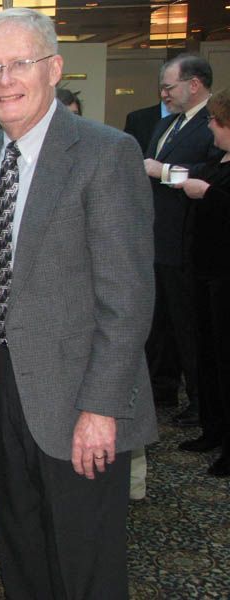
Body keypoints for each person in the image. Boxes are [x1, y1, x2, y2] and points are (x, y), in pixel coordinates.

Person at [0, 8, 157, 598]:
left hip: (80, 404)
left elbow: (127, 299)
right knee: (21, 551)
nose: (4, 81)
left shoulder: (106, 153)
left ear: (53, 68)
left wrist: (101, 407)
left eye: (19, 63)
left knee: (86, 568)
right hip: (3, 395)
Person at [144, 54, 222, 429]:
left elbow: (211, 176)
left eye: (169, 87)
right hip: (157, 238)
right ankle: (163, 387)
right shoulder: (166, 125)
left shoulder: (213, 125)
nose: (164, 94)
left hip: (188, 240)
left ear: (194, 84)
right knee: (160, 321)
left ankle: (199, 400)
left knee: (189, 324)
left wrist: (165, 173)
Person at [174, 88, 230, 476]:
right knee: (207, 356)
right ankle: (213, 429)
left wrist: (208, 194)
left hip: (226, 275)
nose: (209, 124)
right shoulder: (217, 158)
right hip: (204, 271)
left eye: (215, 120)